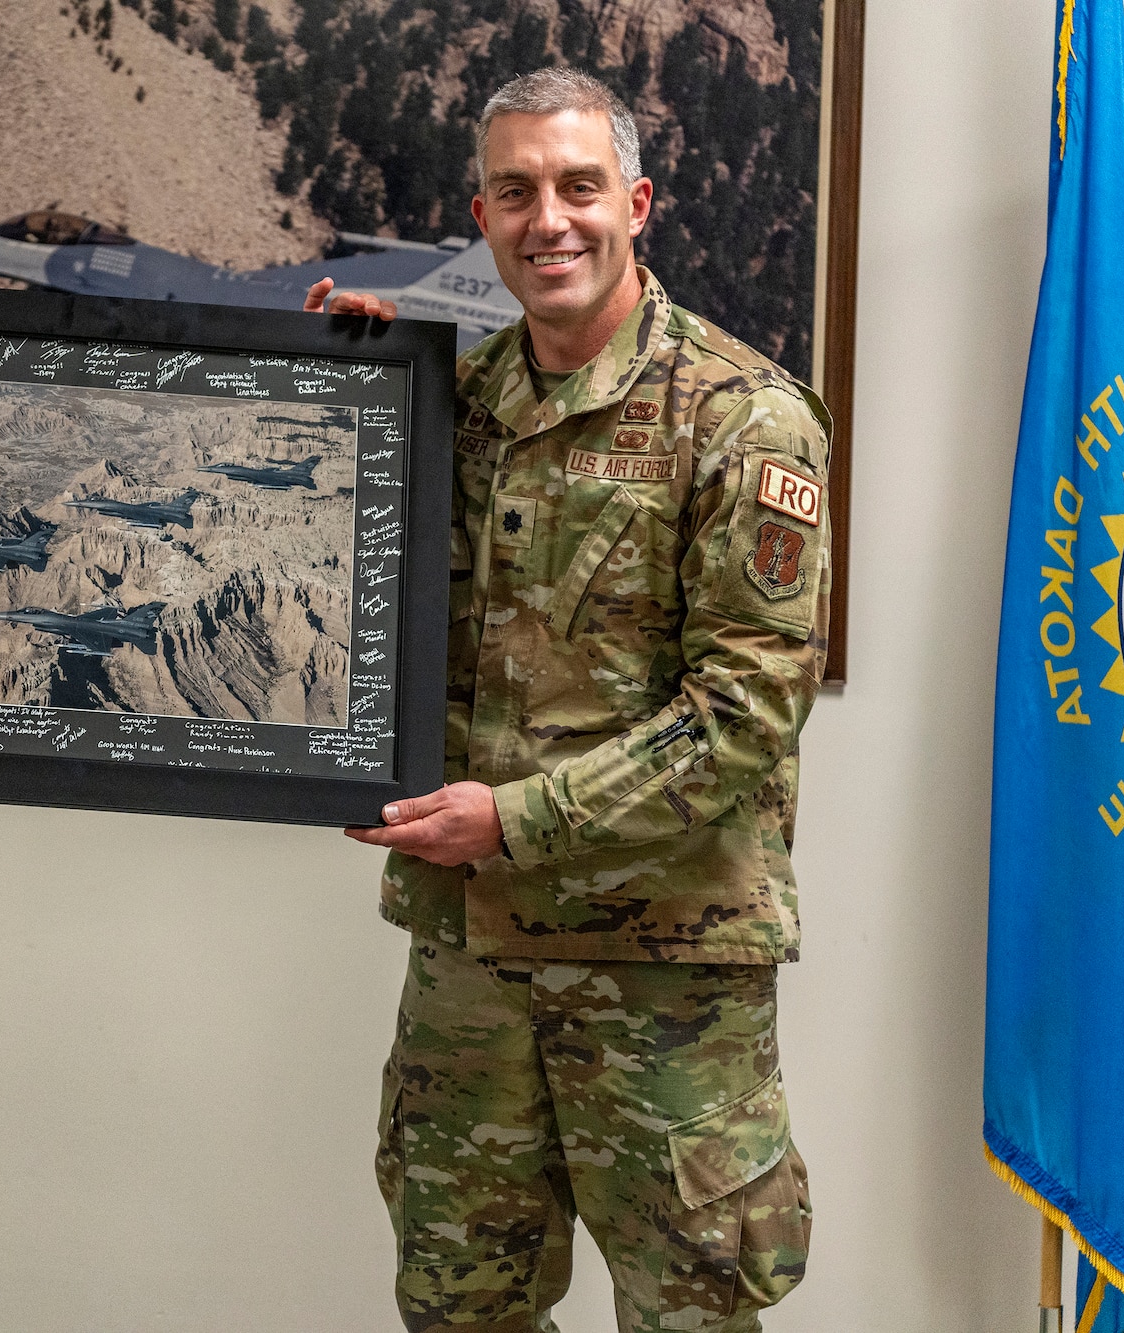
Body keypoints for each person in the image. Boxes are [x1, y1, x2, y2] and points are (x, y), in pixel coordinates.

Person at [308, 68, 827, 1332]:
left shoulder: (741, 417)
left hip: (662, 981)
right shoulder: (457, 407)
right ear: (479, 216)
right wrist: (345, 386)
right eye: (515, 191)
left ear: (634, 202)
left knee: (690, 1314)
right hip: (472, 968)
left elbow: (742, 715)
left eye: (578, 186)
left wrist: (516, 821)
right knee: (457, 1307)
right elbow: (328, 568)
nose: (550, 219)